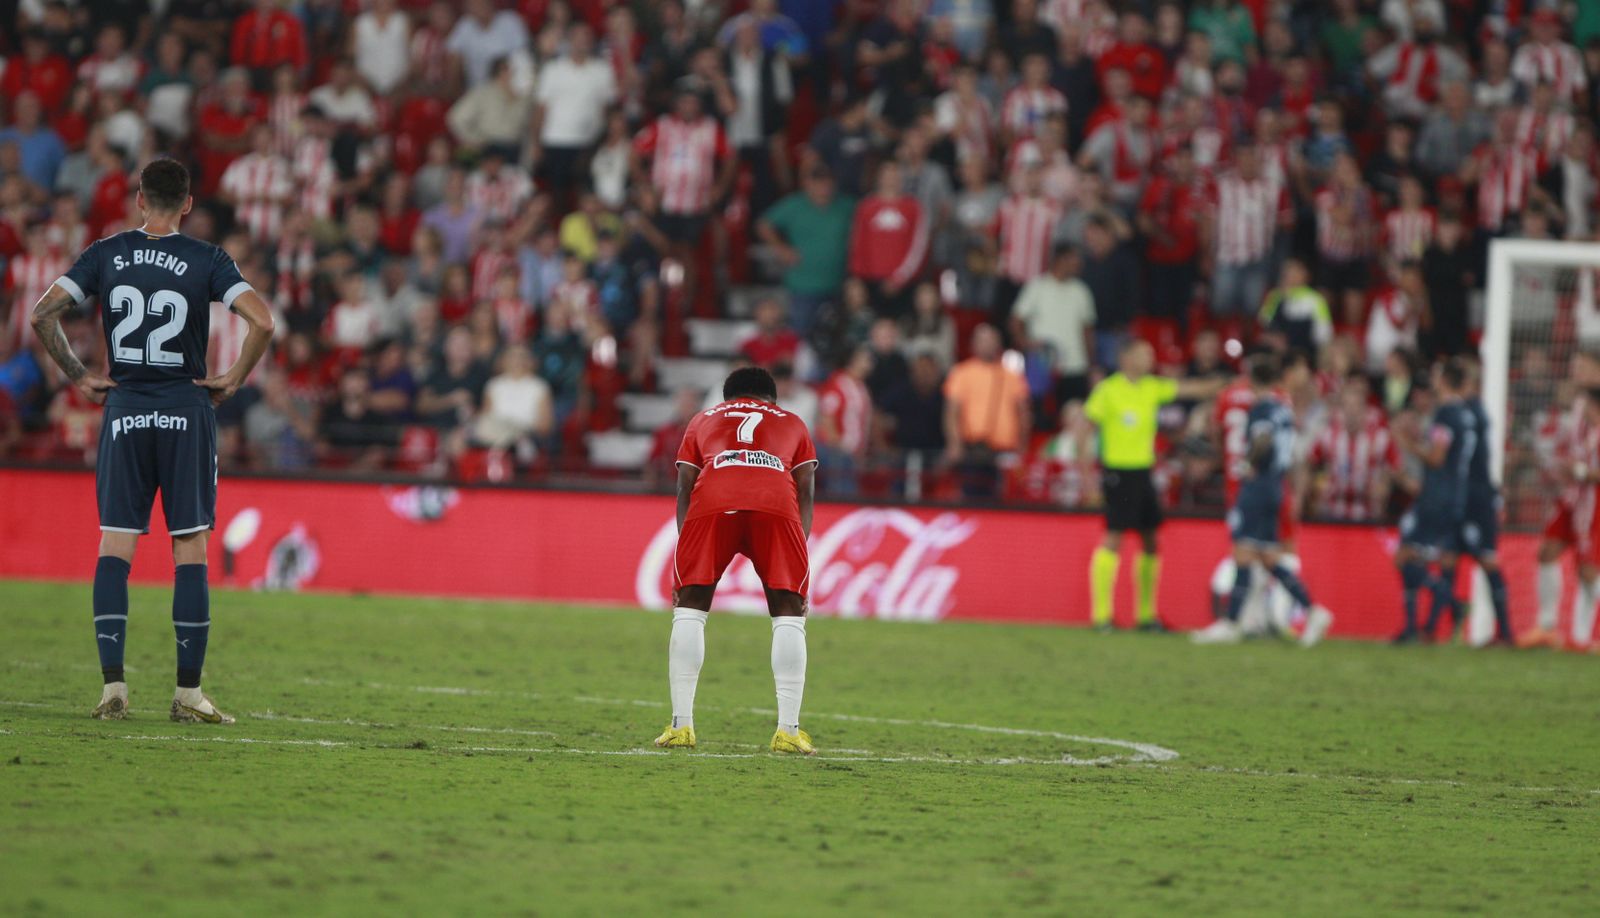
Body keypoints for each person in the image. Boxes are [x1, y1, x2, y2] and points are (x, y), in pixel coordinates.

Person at [29, 158, 275, 724]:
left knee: (115, 545)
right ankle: (187, 694)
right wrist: (234, 378)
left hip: (125, 410)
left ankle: (113, 687)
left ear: (140, 199)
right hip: (187, 410)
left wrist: (80, 376)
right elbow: (261, 321)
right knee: (188, 547)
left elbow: (44, 315)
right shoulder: (207, 258)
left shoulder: (105, 253)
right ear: (188, 204)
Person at [659, 367, 819, 755]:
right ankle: (788, 731)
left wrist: (690, 549)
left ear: (726, 397)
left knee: (690, 611)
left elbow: (684, 484)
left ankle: (682, 726)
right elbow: (806, 492)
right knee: (788, 614)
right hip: (776, 503)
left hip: (714, 500)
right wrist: (797, 547)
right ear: (771, 400)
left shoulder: (703, 418)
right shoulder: (793, 421)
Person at [1193, 355, 1335, 646]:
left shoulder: (1262, 408)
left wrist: (1248, 465)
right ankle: (1314, 610)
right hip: (1276, 486)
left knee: (1243, 552)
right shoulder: (1284, 407)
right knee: (1269, 557)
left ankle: (1231, 623)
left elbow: (1262, 439)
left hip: (1258, 486)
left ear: (1252, 379)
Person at [1084, 339, 1224, 631]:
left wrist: (1231, 382)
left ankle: (1146, 615)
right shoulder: (1108, 390)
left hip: (1143, 472)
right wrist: (1088, 475)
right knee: (1114, 536)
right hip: (1118, 472)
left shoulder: (1151, 387)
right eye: (1144, 354)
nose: (1149, 359)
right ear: (1127, 358)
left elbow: (1193, 388)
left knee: (1150, 540)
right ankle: (1101, 616)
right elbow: (1087, 432)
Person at [1392, 360, 1475, 644]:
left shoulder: (1446, 414)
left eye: (1438, 376)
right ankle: (1414, 628)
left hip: (1436, 497)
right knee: (1425, 558)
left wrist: (1407, 443)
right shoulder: (1465, 415)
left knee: (1404, 558)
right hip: (1454, 495)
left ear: (1445, 382)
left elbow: (1437, 458)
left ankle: (1451, 602)